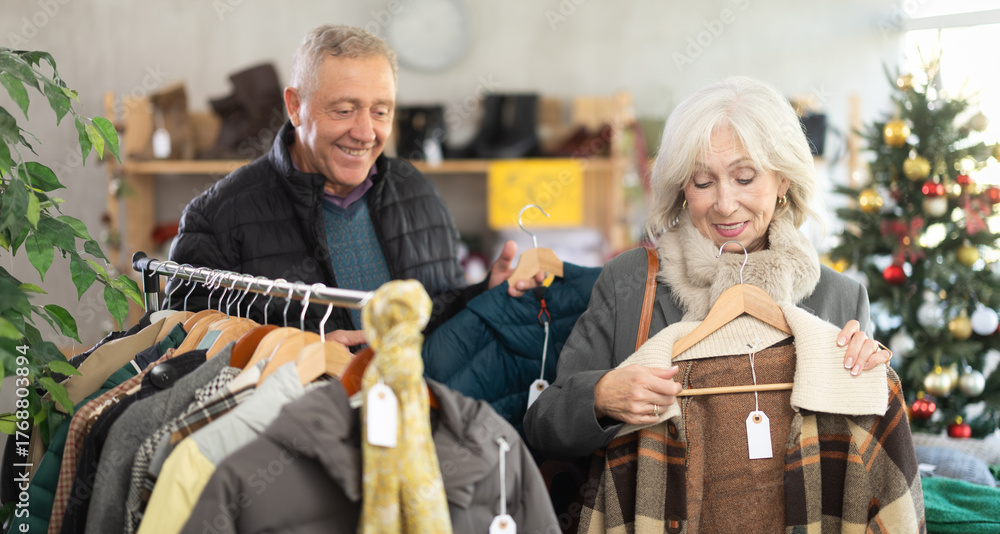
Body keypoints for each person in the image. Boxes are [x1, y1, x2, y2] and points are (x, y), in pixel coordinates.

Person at [523, 75, 892, 459]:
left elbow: (867, 458)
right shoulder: (631, 280)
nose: (725, 204)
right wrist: (600, 397)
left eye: (745, 178)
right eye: (702, 182)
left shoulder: (842, 299)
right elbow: (543, 425)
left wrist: (867, 381)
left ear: (783, 181)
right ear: (682, 188)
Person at [166, 25, 540, 345]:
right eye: (344, 110)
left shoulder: (417, 191)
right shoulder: (216, 218)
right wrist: (297, 354)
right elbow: (184, 350)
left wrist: (484, 293)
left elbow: (439, 312)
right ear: (295, 107)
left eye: (380, 111)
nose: (365, 133)